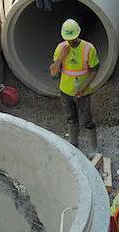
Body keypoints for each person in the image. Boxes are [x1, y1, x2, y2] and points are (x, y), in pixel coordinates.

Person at [49, 18, 100, 154]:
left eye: (73, 38)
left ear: (78, 34)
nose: (71, 42)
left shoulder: (88, 48)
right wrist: (60, 58)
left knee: (87, 120)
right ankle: (73, 146)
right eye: (68, 39)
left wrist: (83, 87)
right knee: (71, 119)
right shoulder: (61, 48)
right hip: (65, 91)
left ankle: (93, 149)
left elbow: (94, 70)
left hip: (83, 92)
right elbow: (53, 71)